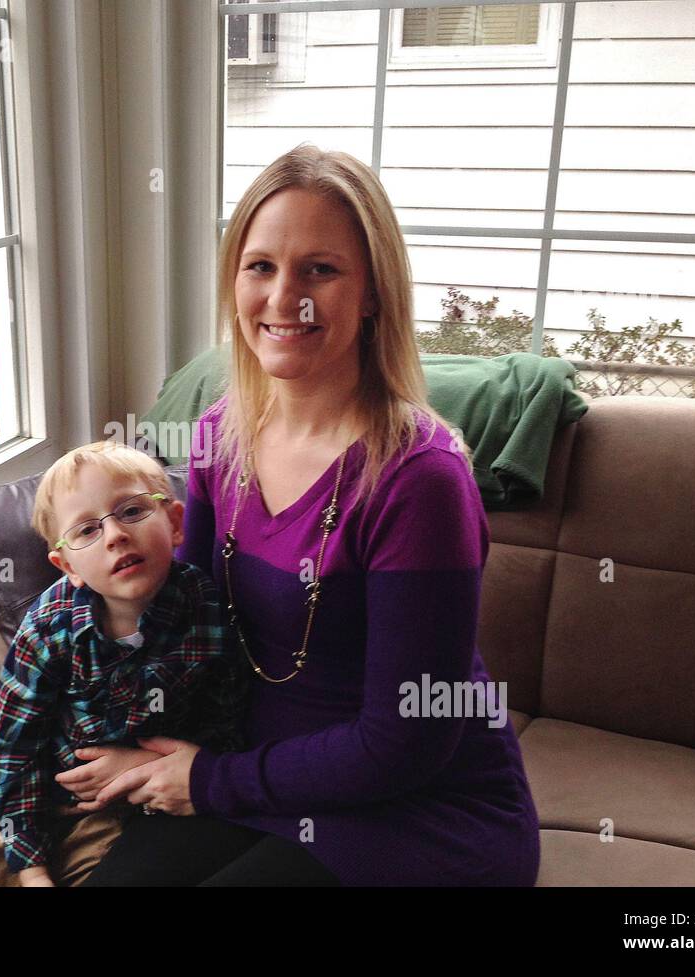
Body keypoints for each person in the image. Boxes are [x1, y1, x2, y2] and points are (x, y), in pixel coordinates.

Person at [73, 144, 542, 886]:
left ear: (372, 294)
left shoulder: (420, 479)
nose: (284, 296)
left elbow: (407, 740)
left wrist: (206, 781)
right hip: (256, 771)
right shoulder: (219, 435)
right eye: (260, 266)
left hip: (417, 810)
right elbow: (192, 625)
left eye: (319, 269)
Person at [0, 440, 248, 887]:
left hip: (116, 803)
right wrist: (32, 869)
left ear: (176, 523)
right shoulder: (49, 627)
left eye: (133, 512)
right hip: (19, 791)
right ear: (67, 566)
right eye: (86, 531)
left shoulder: (208, 611)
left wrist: (141, 764)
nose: (116, 535)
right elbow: (10, 750)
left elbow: (224, 725)